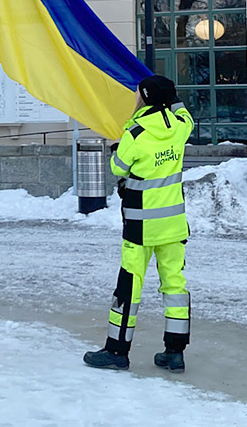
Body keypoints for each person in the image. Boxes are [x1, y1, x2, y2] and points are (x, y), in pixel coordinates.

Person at [83, 75, 194, 372]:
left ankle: (117, 351)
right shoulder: (180, 127)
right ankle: (175, 352)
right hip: (173, 225)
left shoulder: (135, 132)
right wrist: (171, 95)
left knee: (129, 287)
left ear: (144, 96)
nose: (134, 96)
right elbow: (183, 111)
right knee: (174, 285)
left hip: (140, 226)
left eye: (137, 92)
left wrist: (115, 146)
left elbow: (117, 167)